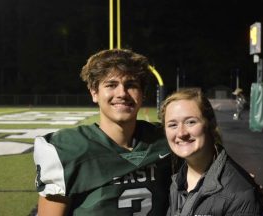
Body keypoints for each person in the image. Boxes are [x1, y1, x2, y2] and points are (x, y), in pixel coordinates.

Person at [33, 49, 173, 215]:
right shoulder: (69, 150)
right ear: (94, 92)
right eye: (111, 85)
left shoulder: (166, 140)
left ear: (142, 94)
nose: (122, 93)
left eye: (131, 85)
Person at [160, 88, 263, 216]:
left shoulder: (239, 192)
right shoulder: (178, 178)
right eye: (172, 125)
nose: (181, 133)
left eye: (191, 122)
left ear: (211, 124)